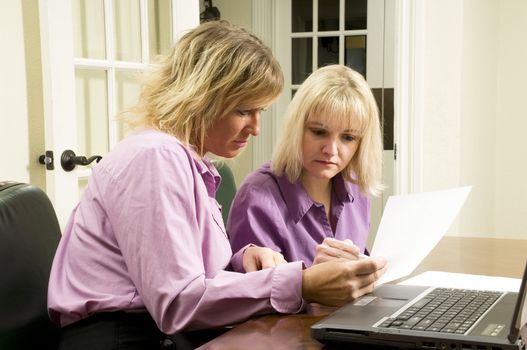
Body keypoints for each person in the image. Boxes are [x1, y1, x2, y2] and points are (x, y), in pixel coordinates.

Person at [47, 22, 386, 350]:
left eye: (260, 112)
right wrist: (301, 283)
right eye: (244, 110)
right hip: (126, 337)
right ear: (202, 97)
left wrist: (242, 260)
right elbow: (179, 303)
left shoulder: (187, 163)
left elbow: (190, 277)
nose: (255, 128)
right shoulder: (156, 157)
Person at [228, 64, 384, 266]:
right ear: (297, 127)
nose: (332, 150)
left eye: (348, 137)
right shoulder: (258, 195)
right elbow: (254, 294)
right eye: (319, 132)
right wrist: (314, 280)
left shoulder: (357, 191)